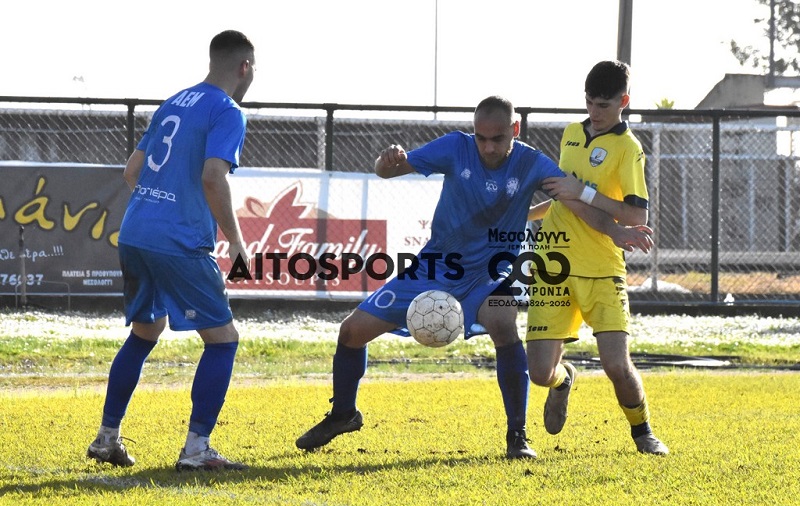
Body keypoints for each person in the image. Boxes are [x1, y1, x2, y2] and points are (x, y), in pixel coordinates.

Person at [295, 96, 653, 459]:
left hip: (491, 271)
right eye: (481, 138)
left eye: (497, 139)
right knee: (351, 332)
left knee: (502, 322)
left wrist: (616, 231)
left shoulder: (531, 163)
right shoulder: (455, 147)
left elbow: (573, 202)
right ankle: (344, 414)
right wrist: (385, 161)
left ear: (515, 130)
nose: (488, 147)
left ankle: (517, 436)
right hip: (436, 266)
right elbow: (388, 171)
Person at [86, 30, 257, 471]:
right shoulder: (228, 110)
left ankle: (106, 438)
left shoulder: (174, 101)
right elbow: (213, 177)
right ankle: (197, 449)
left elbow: (132, 170)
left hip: (136, 231)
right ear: (245, 67)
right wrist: (236, 241)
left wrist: (157, 208)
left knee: (145, 332)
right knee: (223, 340)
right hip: (179, 241)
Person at [526, 60, 668, 455]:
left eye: (603, 105)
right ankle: (564, 380)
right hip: (553, 263)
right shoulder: (572, 134)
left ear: (624, 101)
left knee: (616, 366)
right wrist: (526, 214)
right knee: (540, 373)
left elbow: (636, 216)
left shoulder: (629, 149)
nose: (594, 111)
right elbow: (563, 197)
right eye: (589, 102)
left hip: (602, 268)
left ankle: (643, 432)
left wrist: (583, 193)